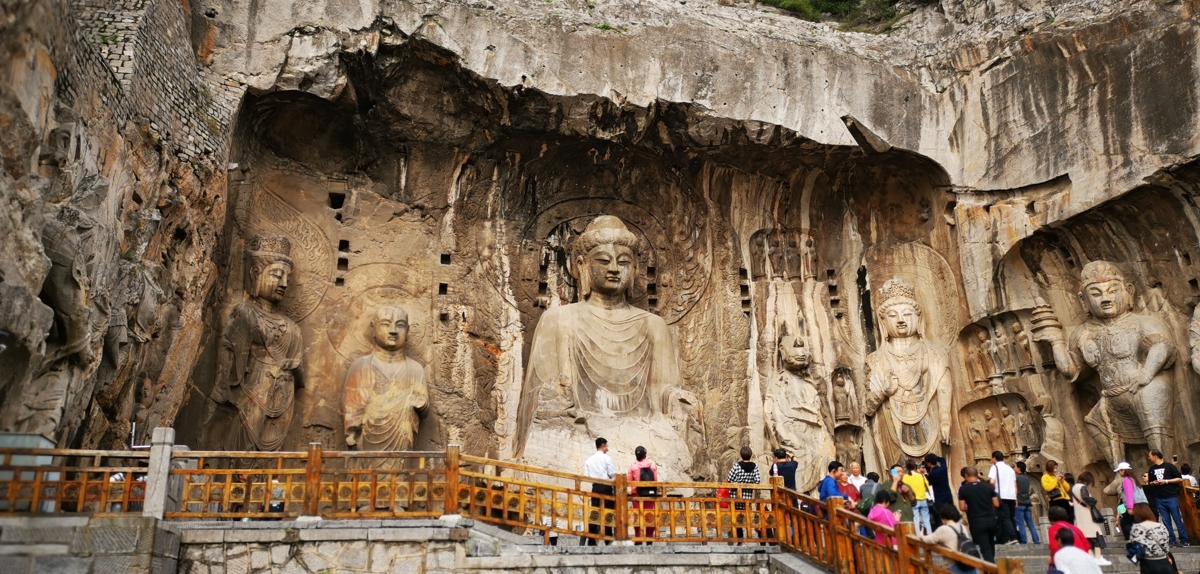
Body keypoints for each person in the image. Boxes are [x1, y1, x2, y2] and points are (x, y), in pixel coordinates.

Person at [1146, 449, 1189, 546]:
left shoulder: (1169, 466)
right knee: (1166, 522)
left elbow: (1179, 478)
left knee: (1177, 519)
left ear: (1155, 456)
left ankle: (1184, 540)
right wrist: (1153, 483)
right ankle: (1171, 541)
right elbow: (1150, 483)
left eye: (1150, 456)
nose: (1149, 458)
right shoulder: (1151, 469)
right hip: (1159, 498)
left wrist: (1166, 481)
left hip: (1171, 496)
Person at [958, 466, 1000, 562]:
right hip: (991, 519)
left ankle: (991, 568)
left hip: (977, 520)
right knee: (991, 544)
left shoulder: (963, 489)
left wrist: (971, 508)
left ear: (966, 476)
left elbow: (962, 507)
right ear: (977, 475)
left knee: (985, 548)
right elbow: (996, 504)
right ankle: (992, 564)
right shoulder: (988, 487)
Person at [921, 504, 979, 574]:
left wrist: (921, 536)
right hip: (967, 563)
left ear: (944, 518)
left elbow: (930, 540)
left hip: (953, 565)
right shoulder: (962, 526)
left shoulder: (943, 529)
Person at [1070, 472, 1111, 565]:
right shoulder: (1082, 487)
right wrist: (1094, 500)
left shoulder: (1074, 488)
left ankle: (1092, 557)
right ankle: (1098, 557)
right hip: (1087, 515)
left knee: (1086, 539)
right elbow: (1085, 497)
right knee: (1096, 535)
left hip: (1079, 516)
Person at [582, 437, 616, 545]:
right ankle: (608, 538)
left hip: (595, 487)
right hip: (606, 487)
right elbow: (611, 474)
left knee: (595, 512)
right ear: (603, 446)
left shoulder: (589, 460)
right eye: (607, 446)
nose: (607, 449)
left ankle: (591, 539)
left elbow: (586, 476)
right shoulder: (607, 459)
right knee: (608, 512)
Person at [1129, 502, 1175, 574]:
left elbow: (1135, 549)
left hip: (1148, 564)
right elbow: (1166, 544)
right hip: (1164, 562)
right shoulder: (1161, 526)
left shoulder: (1136, 528)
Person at [728, 446, 761, 541]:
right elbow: (757, 481)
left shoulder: (737, 466)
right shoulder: (755, 466)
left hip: (735, 496)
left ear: (741, 455)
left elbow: (730, 478)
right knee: (745, 514)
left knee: (737, 516)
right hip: (748, 496)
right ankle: (749, 535)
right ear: (750, 455)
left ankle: (740, 539)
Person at [628, 445, 660, 544]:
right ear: (645, 455)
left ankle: (638, 539)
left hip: (637, 495)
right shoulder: (652, 465)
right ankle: (649, 539)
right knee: (649, 516)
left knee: (637, 517)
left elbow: (628, 481)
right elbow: (655, 480)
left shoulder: (633, 466)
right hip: (649, 495)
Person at [987, 451, 1019, 545]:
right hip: (1011, 496)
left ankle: (1012, 537)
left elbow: (992, 482)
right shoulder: (1010, 469)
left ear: (994, 458)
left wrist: (990, 491)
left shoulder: (994, 467)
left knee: (1004, 517)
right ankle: (1010, 537)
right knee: (1010, 517)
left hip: (1001, 495)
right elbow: (1015, 485)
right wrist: (1016, 498)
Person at [1105, 462, 1142, 541]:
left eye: (1119, 471)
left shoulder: (1126, 480)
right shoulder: (1134, 479)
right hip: (1140, 506)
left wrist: (1129, 507)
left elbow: (1129, 494)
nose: (1119, 472)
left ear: (1123, 470)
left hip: (1132, 507)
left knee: (1126, 525)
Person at [903, 459, 933, 535]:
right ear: (915, 467)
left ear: (906, 468)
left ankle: (918, 537)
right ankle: (929, 535)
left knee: (915, 520)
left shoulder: (904, 477)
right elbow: (927, 487)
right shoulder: (921, 476)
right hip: (923, 499)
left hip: (913, 501)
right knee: (926, 519)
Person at [1014, 461, 1040, 545]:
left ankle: (1024, 542)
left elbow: (1016, 490)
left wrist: (1015, 500)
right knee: (1030, 523)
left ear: (1019, 468)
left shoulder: (1016, 478)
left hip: (1020, 502)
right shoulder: (1026, 478)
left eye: (1015, 467)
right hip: (1027, 502)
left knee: (1021, 523)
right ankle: (1036, 540)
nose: (1014, 468)